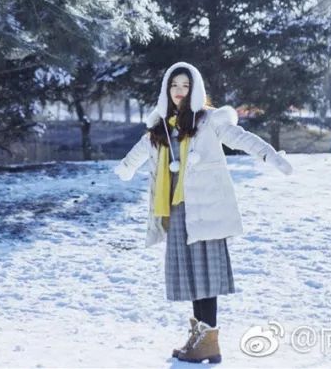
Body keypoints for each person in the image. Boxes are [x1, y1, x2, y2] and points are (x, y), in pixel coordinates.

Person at [114, 61, 293, 364]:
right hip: (177, 209)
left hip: (205, 207)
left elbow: (241, 138)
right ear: (166, 90)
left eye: (185, 86)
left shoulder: (209, 120)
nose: (179, 91)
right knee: (193, 276)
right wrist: (125, 168)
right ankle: (200, 337)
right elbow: (141, 150)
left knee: (206, 276)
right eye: (174, 86)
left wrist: (271, 156)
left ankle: (209, 341)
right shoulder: (162, 125)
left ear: (194, 89)